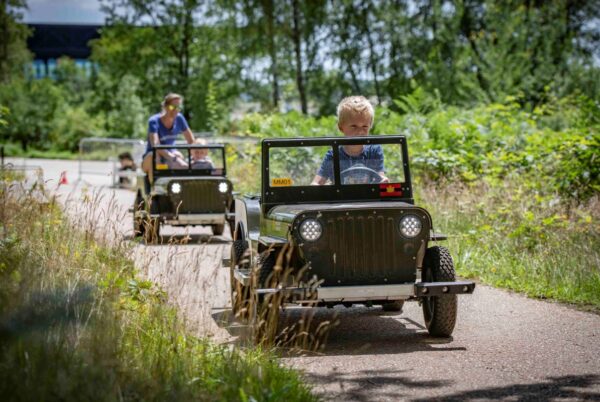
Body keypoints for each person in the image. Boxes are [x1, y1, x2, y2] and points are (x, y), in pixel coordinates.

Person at [311, 96, 388, 185]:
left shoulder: (374, 150)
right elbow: (316, 183)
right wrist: (315, 186)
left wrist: (384, 181)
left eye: (365, 126)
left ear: (370, 126)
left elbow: (380, 176)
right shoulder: (333, 155)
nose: (360, 132)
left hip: (368, 194)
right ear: (341, 127)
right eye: (354, 126)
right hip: (341, 194)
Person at [141, 93, 195, 183]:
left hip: (171, 154)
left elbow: (191, 141)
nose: (175, 110)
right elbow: (156, 145)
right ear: (165, 107)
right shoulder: (154, 121)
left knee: (182, 159)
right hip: (153, 156)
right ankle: (154, 187)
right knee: (154, 157)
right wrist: (173, 158)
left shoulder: (179, 118)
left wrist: (195, 157)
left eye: (178, 107)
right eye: (172, 107)